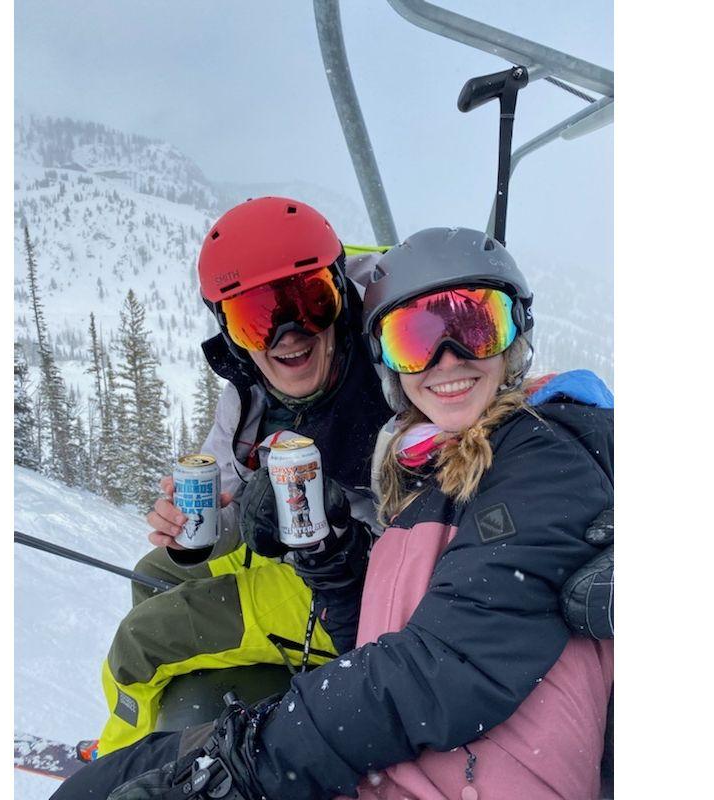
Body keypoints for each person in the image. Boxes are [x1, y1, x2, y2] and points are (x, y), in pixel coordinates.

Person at [55, 227, 613, 800]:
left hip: (420, 766)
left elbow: (442, 668)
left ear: (517, 332)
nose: (446, 360)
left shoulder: (541, 455)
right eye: (413, 340)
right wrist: (331, 559)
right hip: (379, 747)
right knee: (110, 758)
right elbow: (380, 633)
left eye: (476, 327)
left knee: (147, 647)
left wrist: (244, 764)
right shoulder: (424, 462)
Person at [96, 197, 393, 756]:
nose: (287, 335)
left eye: (310, 303)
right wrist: (187, 529)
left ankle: (119, 765)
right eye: (257, 317)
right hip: (294, 558)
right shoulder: (249, 390)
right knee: (153, 571)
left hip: (361, 580)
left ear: (340, 294)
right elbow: (228, 500)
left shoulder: (391, 367)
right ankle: (173, 731)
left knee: (141, 641)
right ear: (230, 330)